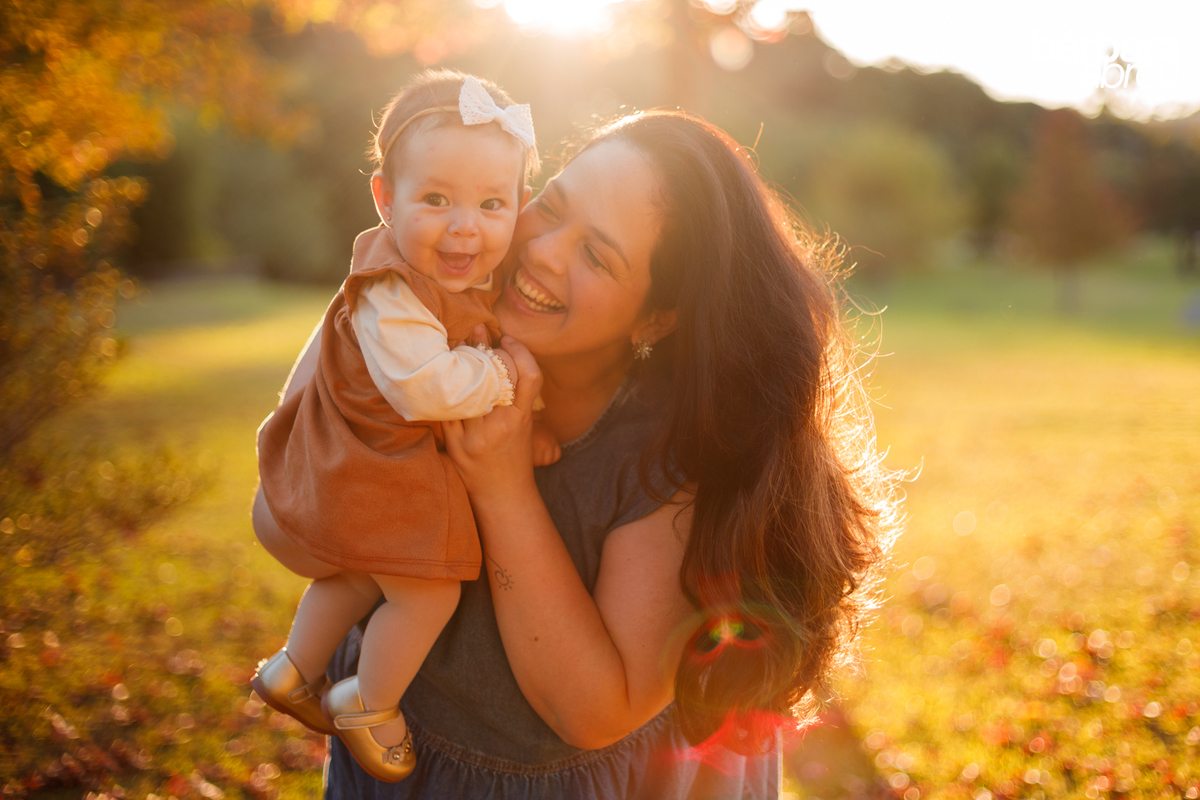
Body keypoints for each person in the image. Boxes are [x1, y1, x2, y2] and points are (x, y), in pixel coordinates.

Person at [295, 109, 899, 798]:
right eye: (552, 207)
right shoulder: (414, 329)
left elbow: (594, 712)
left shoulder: (674, 459)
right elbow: (285, 515)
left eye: (598, 256)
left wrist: (501, 485)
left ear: (656, 318)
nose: (546, 251)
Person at [250, 71, 557, 782]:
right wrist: (509, 379)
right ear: (386, 199)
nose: (465, 225)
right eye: (436, 200)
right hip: (372, 465)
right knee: (428, 592)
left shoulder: (450, 277)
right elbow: (426, 386)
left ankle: (293, 669)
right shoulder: (391, 288)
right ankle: (367, 701)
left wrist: (529, 423)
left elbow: (472, 343)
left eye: (492, 204)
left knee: (361, 575)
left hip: (368, 466)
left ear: (520, 206)